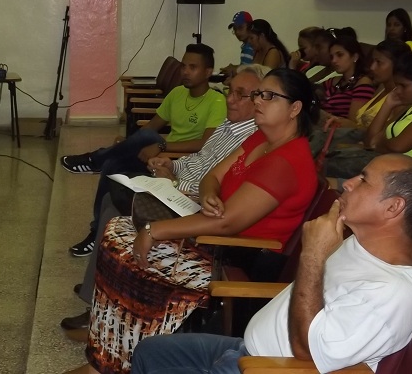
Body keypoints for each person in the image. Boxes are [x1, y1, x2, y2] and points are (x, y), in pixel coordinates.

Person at [63, 68, 319, 374]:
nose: (258, 101)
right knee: (118, 232)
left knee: (126, 252)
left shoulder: (286, 161)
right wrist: (211, 194)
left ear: (295, 108)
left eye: (268, 95)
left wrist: (155, 230)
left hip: (236, 258)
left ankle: (110, 361)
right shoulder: (261, 139)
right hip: (214, 240)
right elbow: (213, 175)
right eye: (257, 94)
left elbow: (228, 225)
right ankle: (107, 348)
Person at [131, 154, 412, 374]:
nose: (349, 183)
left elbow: (306, 351)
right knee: (149, 352)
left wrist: (314, 255)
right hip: (243, 350)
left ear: (393, 207)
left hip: (267, 368)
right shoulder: (390, 239)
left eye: (364, 180)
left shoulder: (388, 294)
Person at [60, 65, 267, 331]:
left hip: (191, 206)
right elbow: (200, 160)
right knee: (115, 188)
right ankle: (96, 293)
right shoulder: (229, 125)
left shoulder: (252, 138)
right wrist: (170, 165)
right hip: (178, 188)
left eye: (241, 94)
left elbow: (219, 190)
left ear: (258, 99)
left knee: (117, 209)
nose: (230, 99)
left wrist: (174, 183)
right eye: (230, 91)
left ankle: (96, 305)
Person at [62, 44, 227, 256]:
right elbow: (152, 126)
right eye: (183, 66)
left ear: (207, 72)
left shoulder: (217, 101)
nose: (185, 71)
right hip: (159, 158)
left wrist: (161, 146)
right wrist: (127, 145)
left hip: (182, 162)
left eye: (192, 67)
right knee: (114, 165)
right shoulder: (177, 93)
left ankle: (94, 160)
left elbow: (206, 144)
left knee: (149, 138)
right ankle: (96, 233)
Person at [325, 50, 412, 180]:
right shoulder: (408, 106)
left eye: (403, 85)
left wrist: (380, 144)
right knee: (326, 160)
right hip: (386, 165)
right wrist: (387, 104)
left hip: (405, 175)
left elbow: (398, 146)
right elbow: (370, 141)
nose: (398, 90)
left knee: (329, 167)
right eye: (397, 85)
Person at [311, 39, 410, 155]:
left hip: (367, 151)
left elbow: (377, 141)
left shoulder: (400, 98)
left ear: (397, 65)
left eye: (379, 62)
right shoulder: (381, 88)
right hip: (355, 141)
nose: (372, 67)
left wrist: (347, 125)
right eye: (373, 61)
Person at [319, 34, 375, 124]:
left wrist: (327, 117)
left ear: (355, 57)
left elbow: (354, 123)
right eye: (332, 57)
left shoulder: (363, 83)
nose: (334, 60)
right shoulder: (332, 81)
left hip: (341, 133)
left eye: (340, 55)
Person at [219, 11, 254, 77]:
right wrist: (234, 67)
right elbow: (246, 66)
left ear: (250, 27)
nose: (237, 32)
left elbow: (248, 72)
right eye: (235, 29)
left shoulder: (250, 47)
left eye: (240, 28)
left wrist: (233, 70)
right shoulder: (246, 46)